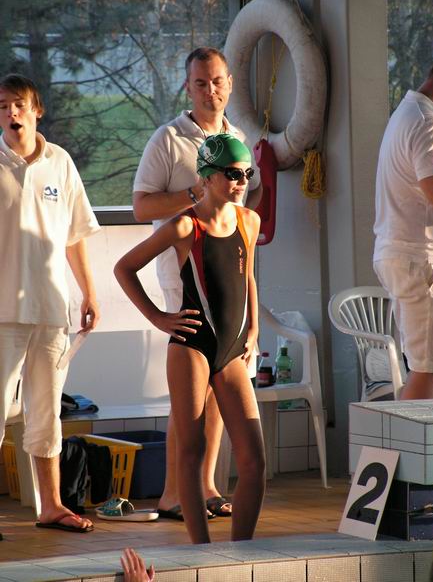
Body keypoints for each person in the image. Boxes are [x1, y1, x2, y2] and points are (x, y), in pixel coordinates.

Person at [115, 133, 266, 544]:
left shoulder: (248, 221)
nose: (242, 182)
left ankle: (242, 550)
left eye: (247, 174)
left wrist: (253, 328)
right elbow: (124, 268)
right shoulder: (185, 225)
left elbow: (248, 277)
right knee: (191, 450)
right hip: (192, 347)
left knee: (253, 461)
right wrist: (158, 317)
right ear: (207, 177)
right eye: (232, 174)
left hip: (233, 350)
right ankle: (201, 549)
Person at [132, 47, 262, 520]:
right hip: (185, 275)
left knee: (219, 389)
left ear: (230, 83)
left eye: (218, 81)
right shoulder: (168, 140)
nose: (211, 91)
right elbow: (141, 207)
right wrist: (197, 191)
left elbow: (244, 214)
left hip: (229, 277)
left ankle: (205, 484)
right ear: (188, 87)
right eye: (201, 83)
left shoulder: (239, 137)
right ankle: (174, 492)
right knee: (191, 393)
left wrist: (253, 322)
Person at [0, 73, 100, 536]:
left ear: (36, 110)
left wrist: (89, 292)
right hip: (3, 312)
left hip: (51, 309)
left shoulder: (60, 162)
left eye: (18, 104)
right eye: (2, 106)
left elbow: (75, 235)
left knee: (46, 412)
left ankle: (52, 506)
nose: (11, 112)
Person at [373, 53, 433, 400]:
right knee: (430, 370)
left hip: (405, 257)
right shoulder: (429, 123)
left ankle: (408, 436)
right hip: (422, 260)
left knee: (426, 367)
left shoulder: (404, 114)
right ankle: (408, 438)